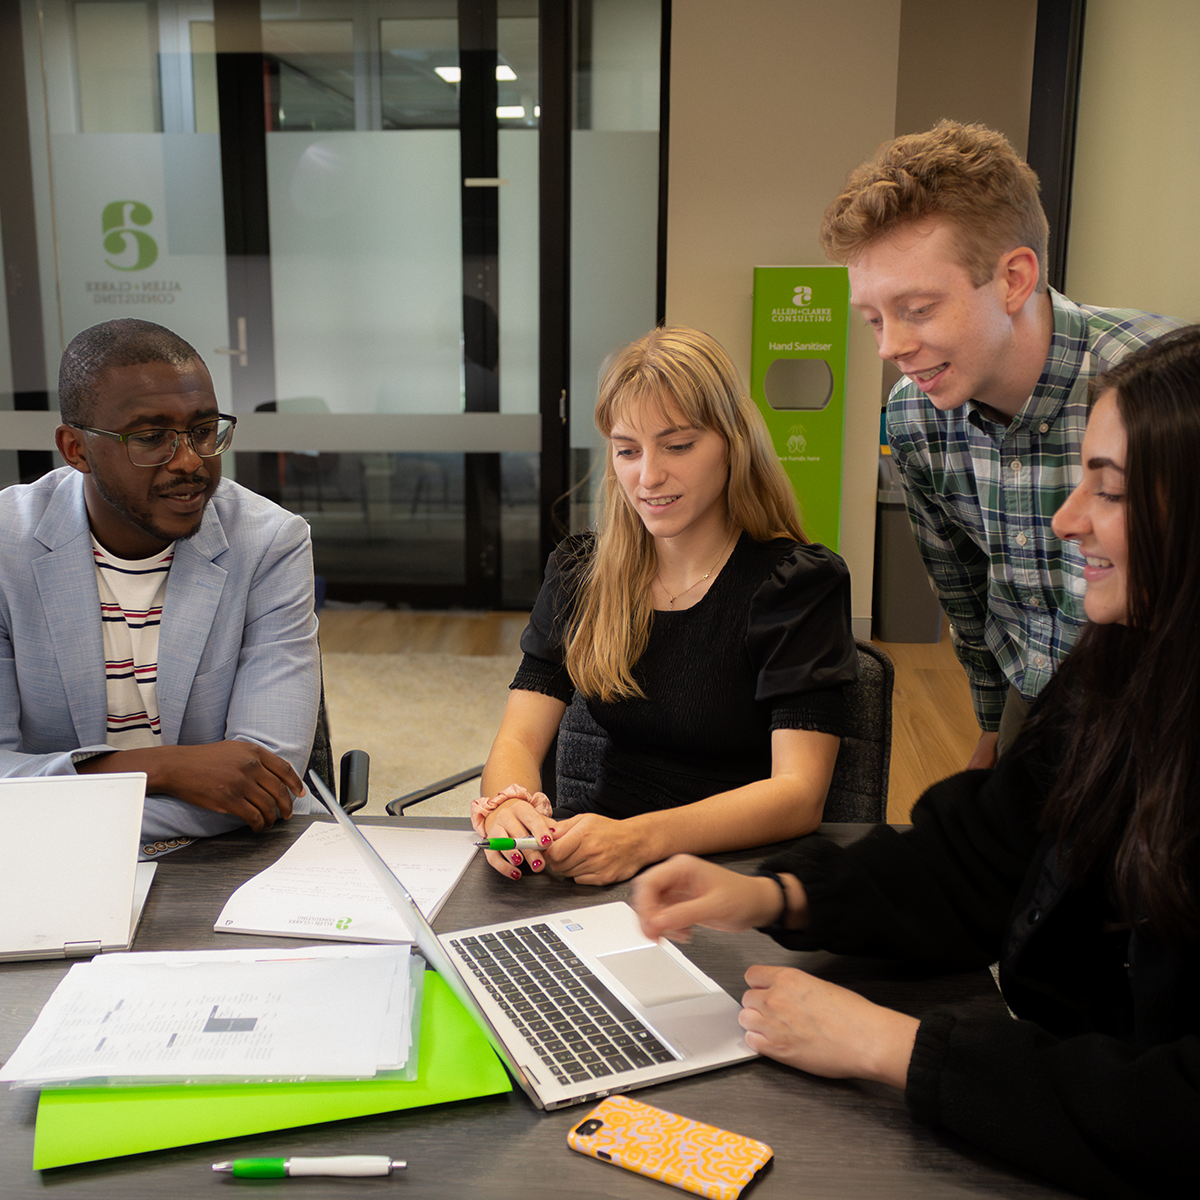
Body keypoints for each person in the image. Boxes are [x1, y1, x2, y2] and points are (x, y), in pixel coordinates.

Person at [633, 325, 1200, 1199]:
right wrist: (778, 895)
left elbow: (1173, 1111)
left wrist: (886, 1045)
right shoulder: (1124, 667)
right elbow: (975, 853)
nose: (1067, 518)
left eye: (1111, 490)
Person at [820, 119, 1181, 768]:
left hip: (1166, 712)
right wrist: (993, 725)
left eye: (918, 309)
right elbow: (964, 588)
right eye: (873, 318)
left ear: (1014, 279)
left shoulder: (1160, 384)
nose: (890, 347)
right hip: (1033, 703)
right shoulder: (917, 419)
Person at [473, 326, 858, 887]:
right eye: (627, 450)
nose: (648, 476)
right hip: (602, 861)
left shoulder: (796, 584)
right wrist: (509, 808)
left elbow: (797, 795)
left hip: (737, 876)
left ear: (733, 443)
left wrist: (639, 838)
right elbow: (516, 740)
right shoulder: (582, 571)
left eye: (678, 446)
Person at [0, 318, 322, 856]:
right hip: (47, 862)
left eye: (202, 430)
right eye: (151, 438)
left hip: (229, 856)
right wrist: (166, 768)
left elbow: (267, 781)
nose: (191, 461)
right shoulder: (7, 547)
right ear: (75, 449)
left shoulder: (269, 543)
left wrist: (60, 796)